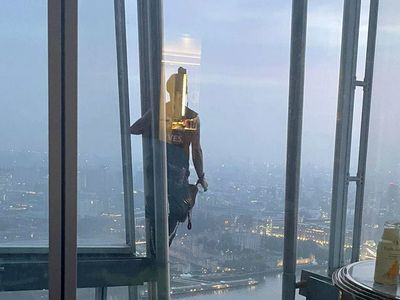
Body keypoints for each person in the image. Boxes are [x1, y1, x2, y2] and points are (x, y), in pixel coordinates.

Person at [131, 67, 207, 251]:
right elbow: (196, 151)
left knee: (157, 211)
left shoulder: (160, 112)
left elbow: (135, 128)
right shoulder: (191, 118)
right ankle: (161, 248)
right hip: (176, 175)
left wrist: (155, 124)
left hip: (158, 171)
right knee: (176, 212)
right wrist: (201, 176)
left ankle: (157, 249)